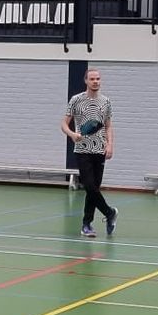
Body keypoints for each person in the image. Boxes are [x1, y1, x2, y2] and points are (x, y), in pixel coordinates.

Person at [62, 68, 117, 238]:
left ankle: (87, 224)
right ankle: (109, 212)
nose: (95, 81)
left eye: (98, 79)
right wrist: (72, 134)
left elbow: (108, 125)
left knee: (93, 189)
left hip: (99, 150)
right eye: (92, 79)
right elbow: (64, 123)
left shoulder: (106, 101)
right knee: (89, 185)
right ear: (86, 80)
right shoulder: (76, 100)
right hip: (82, 150)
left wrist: (110, 145)